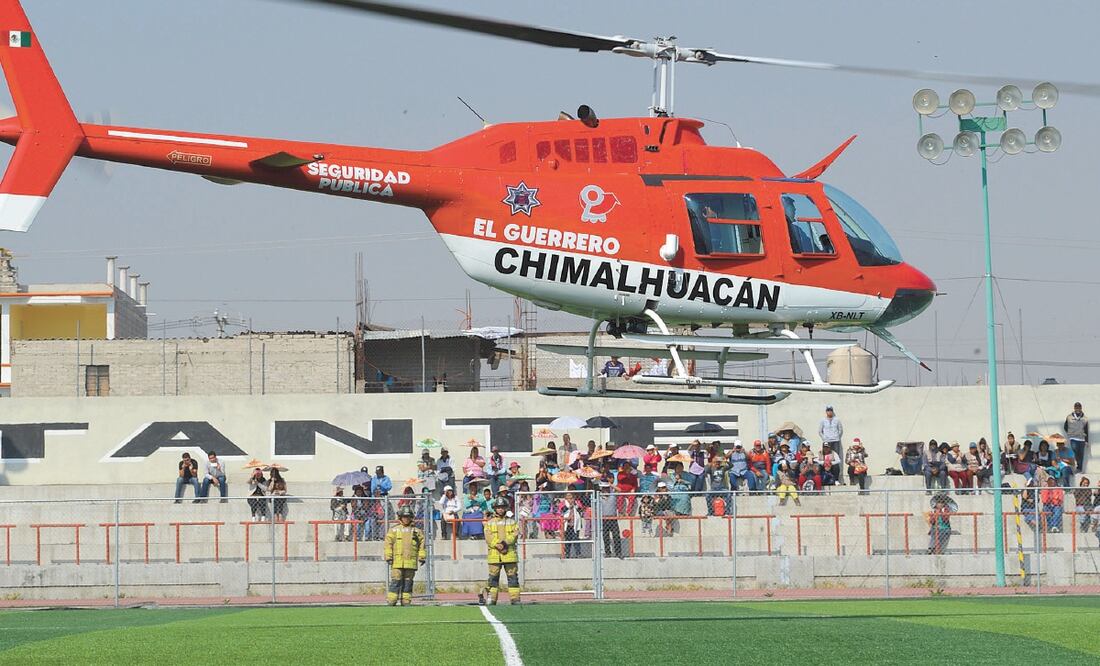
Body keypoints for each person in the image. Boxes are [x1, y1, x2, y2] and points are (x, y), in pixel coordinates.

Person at [479, 497, 521, 605]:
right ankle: (492, 600)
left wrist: (505, 543)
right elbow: (488, 537)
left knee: (513, 578)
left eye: (502, 507)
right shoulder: (490, 523)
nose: (500, 509)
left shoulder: (512, 522)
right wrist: (497, 544)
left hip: (510, 555)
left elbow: (515, 534)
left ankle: (515, 599)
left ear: (506, 508)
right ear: (494, 509)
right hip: (494, 555)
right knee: (493, 579)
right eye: (498, 507)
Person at [384, 505, 426, 606]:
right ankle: (392, 600)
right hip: (397, 561)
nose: (406, 519)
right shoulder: (394, 530)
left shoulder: (417, 532)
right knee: (396, 580)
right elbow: (388, 544)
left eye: (408, 517)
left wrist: (422, 556)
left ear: (411, 517)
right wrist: (388, 556)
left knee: (408, 582)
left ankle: (406, 601)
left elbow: (422, 545)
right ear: (400, 517)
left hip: (411, 561)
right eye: (404, 517)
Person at [597, 481, 623, 559]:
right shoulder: (599, 497)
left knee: (616, 535)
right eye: (604, 489)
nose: (606, 490)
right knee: (606, 537)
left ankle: (618, 553)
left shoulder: (612, 495)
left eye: (607, 488)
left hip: (613, 519)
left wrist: (610, 485)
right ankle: (608, 553)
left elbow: (619, 490)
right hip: (604, 519)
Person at [819, 405, 844, 482]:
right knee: (825, 458)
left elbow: (840, 430)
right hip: (827, 441)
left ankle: (836, 478)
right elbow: (820, 431)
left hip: (835, 440)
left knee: (835, 458)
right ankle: (826, 476)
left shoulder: (837, 420)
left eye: (831, 410)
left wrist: (837, 437)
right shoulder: (823, 420)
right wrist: (824, 438)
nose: (829, 412)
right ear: (826, 412)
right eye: (828, 410)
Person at [1065, 402, 1089, 472]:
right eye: (1076, 407)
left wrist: (1087, 440)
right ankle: (1077, 465)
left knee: (1081, 454)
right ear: (1074, 408)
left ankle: (1079, 468)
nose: (1078, 409)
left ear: (1081, 408)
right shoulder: (1069, 417)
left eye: (1079, 407)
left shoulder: (1085, 418)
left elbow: (1086, 430)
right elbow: (1065, 426)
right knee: (1075, 451)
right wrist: (1070, 433)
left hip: (1082, 438)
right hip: (1073, 438)